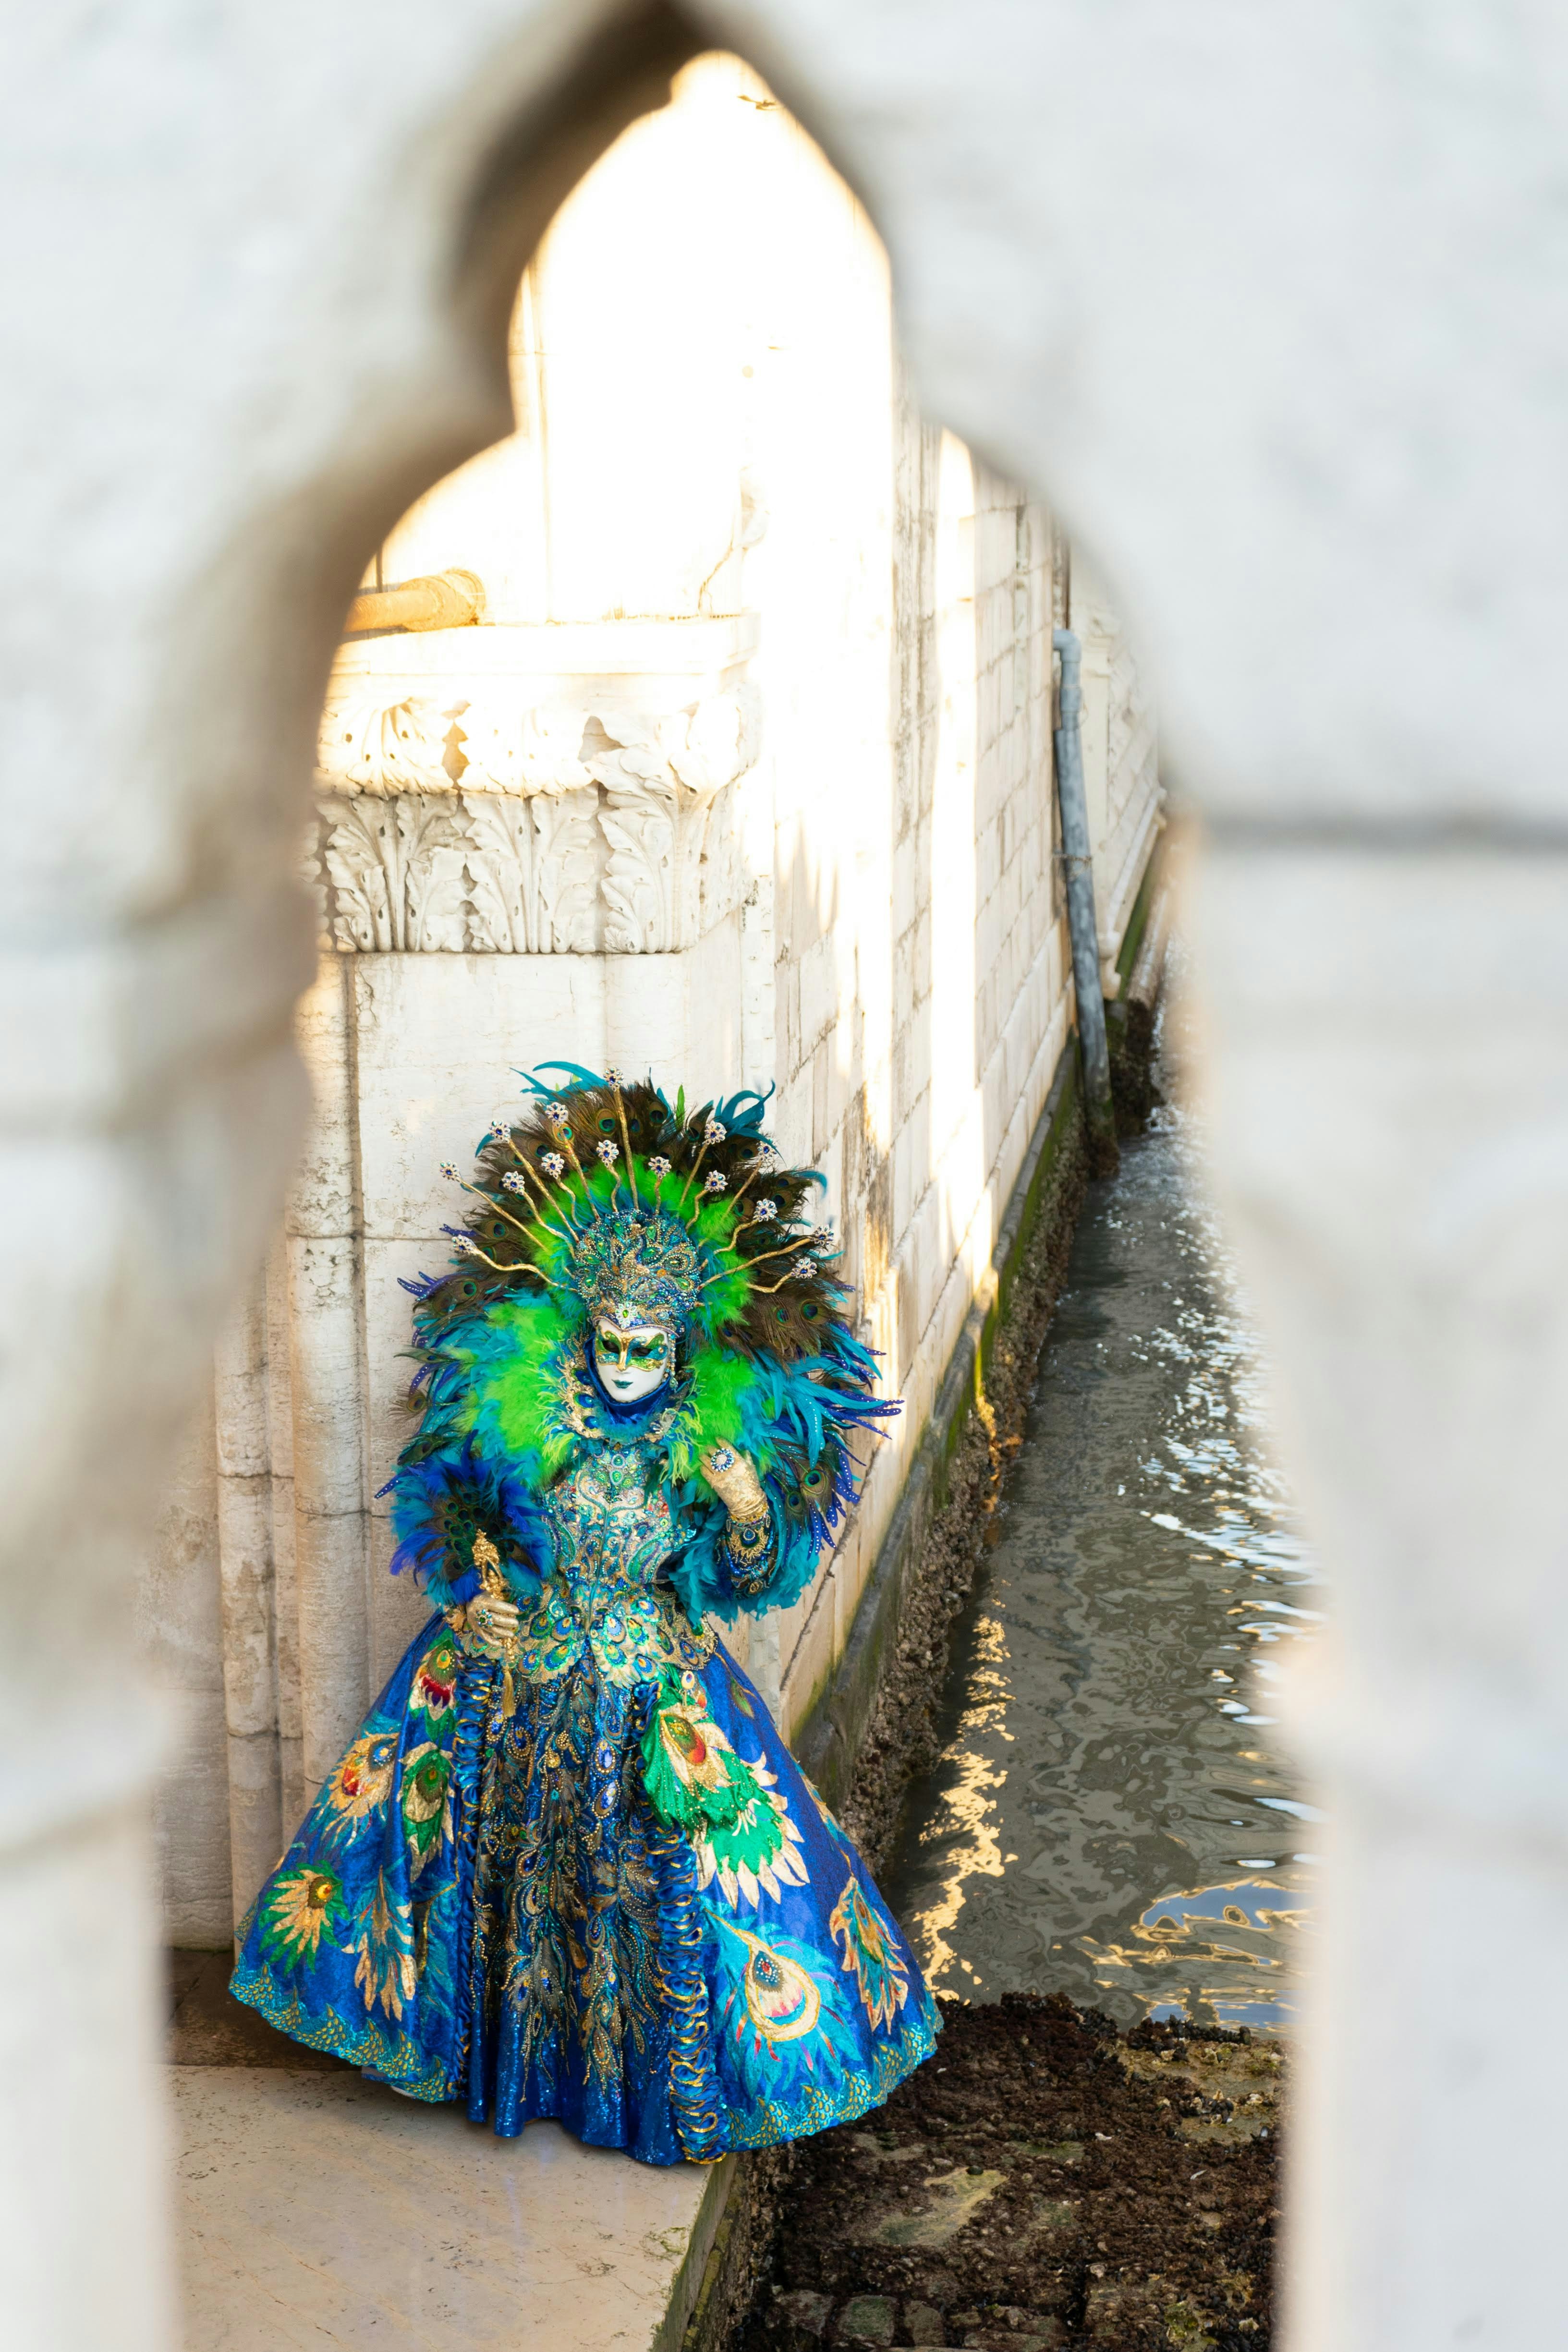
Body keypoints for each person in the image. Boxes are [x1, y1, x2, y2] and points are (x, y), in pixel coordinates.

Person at [231, 1065, 937, 2163]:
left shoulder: (700, 1439)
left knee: (658, 1895)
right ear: (583, 1325)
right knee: (489, 1877)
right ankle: (507, 2066)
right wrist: (482, 1597)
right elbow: (469, 1522)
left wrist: (746, 1505)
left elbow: (747, 1577)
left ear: (679, 1344)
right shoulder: (525, 1402)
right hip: (522, 1683)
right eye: (608, 1343)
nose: (621, 1366)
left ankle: (629, 2088)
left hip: (649, 1687)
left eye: (643, 1349)